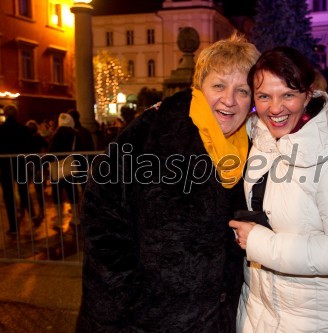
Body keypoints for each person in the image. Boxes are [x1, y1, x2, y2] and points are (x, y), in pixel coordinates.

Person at [76, 32, 260, 332]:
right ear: (199, 86)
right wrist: (126, 293)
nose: (229, 100)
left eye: (242, 90)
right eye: (219, 85)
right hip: (147, 318)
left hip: (215, 319)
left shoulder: (251, 146)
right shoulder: (153, 131)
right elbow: (101, 210)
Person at [229, 46, 328, 332]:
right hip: (260, 310)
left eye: (288, 95)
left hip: (317, 320)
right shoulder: (260, 136)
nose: (276, 108)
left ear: (307, 95)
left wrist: (259, 243)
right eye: (264, 96)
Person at [0, 104, 33, 236]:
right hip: (20, 165)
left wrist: (0, 161)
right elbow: (29, 148)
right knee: (23, 191)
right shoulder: (24, 130)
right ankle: (28, 215)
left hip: (6, 167)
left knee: (8, 196)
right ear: (16, 114)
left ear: (6, 115)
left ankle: (13, 226)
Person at [48, 113, 80, 232]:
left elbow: (51, 152)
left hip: (57, 168)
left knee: (57, 192)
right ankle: (76, 218)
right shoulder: (75, 134)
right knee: (72, 191)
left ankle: (59, 219)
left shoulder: (56, 134)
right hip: (70, 166)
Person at [25, 119, 49, 226]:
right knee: (38, 189)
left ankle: (30, 211)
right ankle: (41, 209)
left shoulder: (25, 139)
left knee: (26, 189)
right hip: (38, 165)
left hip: (27, 165)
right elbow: (46, 147)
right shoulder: (39, 138)